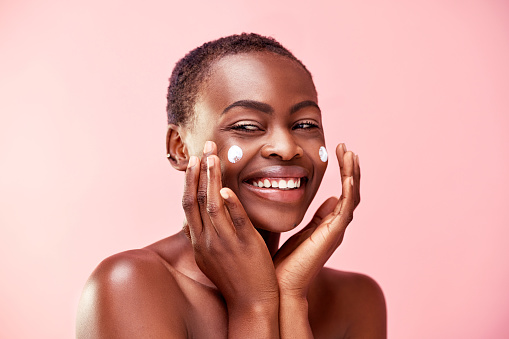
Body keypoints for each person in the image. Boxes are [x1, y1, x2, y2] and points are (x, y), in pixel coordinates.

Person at [76, 33, 386, 338]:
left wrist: (290, 297)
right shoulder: (130, 285)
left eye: (304, 124)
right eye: (247, 126)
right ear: (180, 147)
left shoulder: (356, 298)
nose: (287, 147)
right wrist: (255, 306)